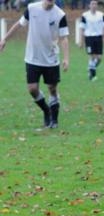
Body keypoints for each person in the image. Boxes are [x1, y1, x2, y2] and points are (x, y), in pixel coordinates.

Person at [0, 0, 69, 129]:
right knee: (32, 89)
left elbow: (64, 38)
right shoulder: (32, 8)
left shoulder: (60, 14)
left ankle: (54, 120)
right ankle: (46, 110)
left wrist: (66, 58)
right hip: (32, 57)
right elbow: (19, 24)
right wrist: (5, 39)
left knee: (52, 89)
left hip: (51, 58)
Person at [79, 0, 104, 81]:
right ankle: (92, 76)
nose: (94, 5)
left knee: (99, 58)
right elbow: (81, 28)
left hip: (98, 37)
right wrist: (80, 41)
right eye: (92, 4)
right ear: (89, 5)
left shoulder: (101, 15)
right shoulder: (85, 15)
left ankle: (90, 68)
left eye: (95, 4)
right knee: (92, 56)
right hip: (89, 38)